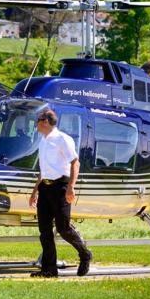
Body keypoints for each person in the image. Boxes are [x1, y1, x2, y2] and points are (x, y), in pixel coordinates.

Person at [28, 109, 92, 278]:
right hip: (45, 188)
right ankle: (49, 270)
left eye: (38, 121)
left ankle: (85, 254)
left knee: (63, 228)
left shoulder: (63, 139)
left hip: (60, 187)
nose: (36, 124)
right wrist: (35, 191)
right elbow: (43, 171)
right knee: (45, 231)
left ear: (45, 122)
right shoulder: (42, 141)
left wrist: (71, 187)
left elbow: (75, 163)